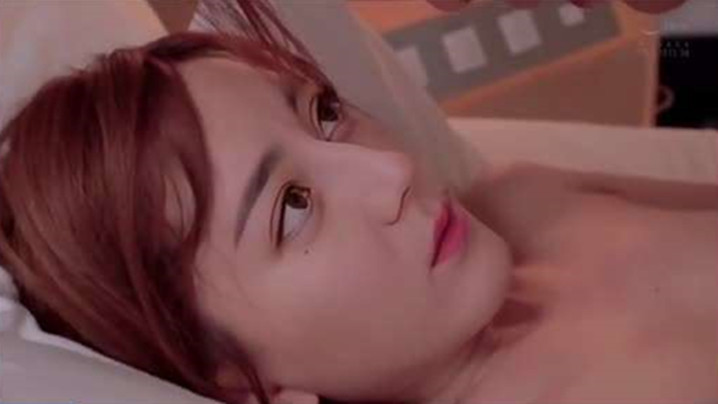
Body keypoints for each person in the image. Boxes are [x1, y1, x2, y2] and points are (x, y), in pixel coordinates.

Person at [0, 1, 715, 404]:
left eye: (325, 112)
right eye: (293, 207)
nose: (390, 168)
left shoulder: (524, 199)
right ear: (237, 377)